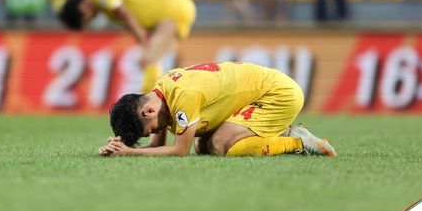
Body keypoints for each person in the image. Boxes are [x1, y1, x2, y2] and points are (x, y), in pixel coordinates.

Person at [100, 61, 337, 157]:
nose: (155, 132)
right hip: (257, 93)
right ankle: (283, 134)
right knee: (202, 145)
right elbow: (159, 147)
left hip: (277, 94)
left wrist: (131, 153)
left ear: (148, 112)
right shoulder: (160, 92)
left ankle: (297, 141)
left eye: (149, 130)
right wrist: (119, 145)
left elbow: (179, 151)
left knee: (220, 145)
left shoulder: (183, 96)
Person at [58, 0, 196, 92]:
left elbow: (125, 13)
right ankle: (164, 100)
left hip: (172, 12)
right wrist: (141, 36)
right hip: (173, 10)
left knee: (148, 59)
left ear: (81, 8)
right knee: (156, 62)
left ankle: (152, 101)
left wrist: (142, 38)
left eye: (85, 19)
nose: (89, 20)